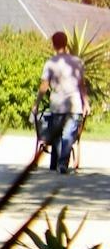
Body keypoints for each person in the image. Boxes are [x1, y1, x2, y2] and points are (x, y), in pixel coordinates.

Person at [38, 31, 89, 174]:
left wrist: (37, 103)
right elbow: (81, 85)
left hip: (57, 105)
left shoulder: (50, 63)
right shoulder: (77, 62)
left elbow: (44, 85)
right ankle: (62, 163)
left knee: (59, 135)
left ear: (53, 45)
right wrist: (86, 103)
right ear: (66, 44)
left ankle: (61, 162)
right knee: (68, 135)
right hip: (75, 105)